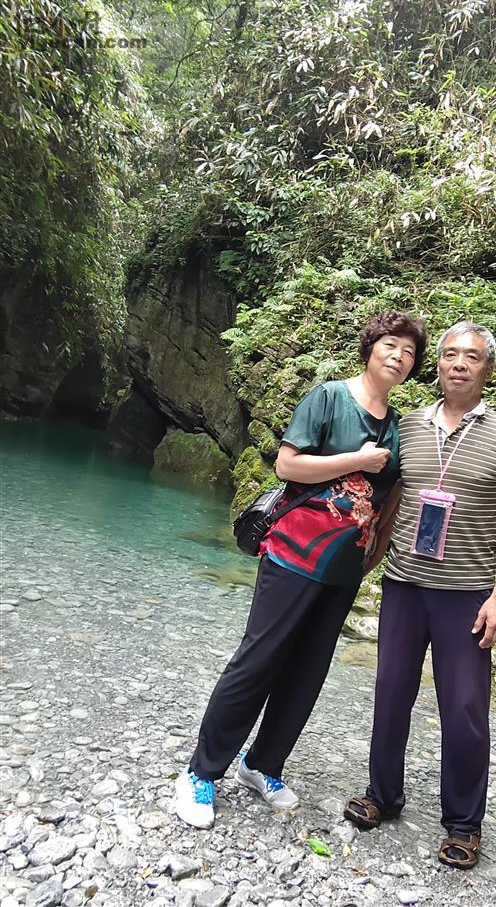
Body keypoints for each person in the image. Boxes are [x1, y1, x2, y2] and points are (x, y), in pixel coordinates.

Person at [175, 310, 427, 829]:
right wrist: (354, 460)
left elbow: (391, 500)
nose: (399, 356)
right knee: (257, 661)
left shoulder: (398, 428)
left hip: (344, 570)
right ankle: (201, 772)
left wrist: (374, 553)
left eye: (409, 352)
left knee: (308, 672)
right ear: (370, 347)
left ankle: (263, 764)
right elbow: (287, 465)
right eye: (391, 345)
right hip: (292, 555)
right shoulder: (329, 398)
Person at [344, 320, 496, 871]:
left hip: (466, 593)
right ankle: (382, 794)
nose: (458, 363)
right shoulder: (409, 425)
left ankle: (464, 823)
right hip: (404, 583)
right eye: (449, 354)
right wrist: (368, 558)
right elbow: (394, 499)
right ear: (439, 364)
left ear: (487, 369)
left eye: (471, 356)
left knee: (466, 708)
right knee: (391, 692)